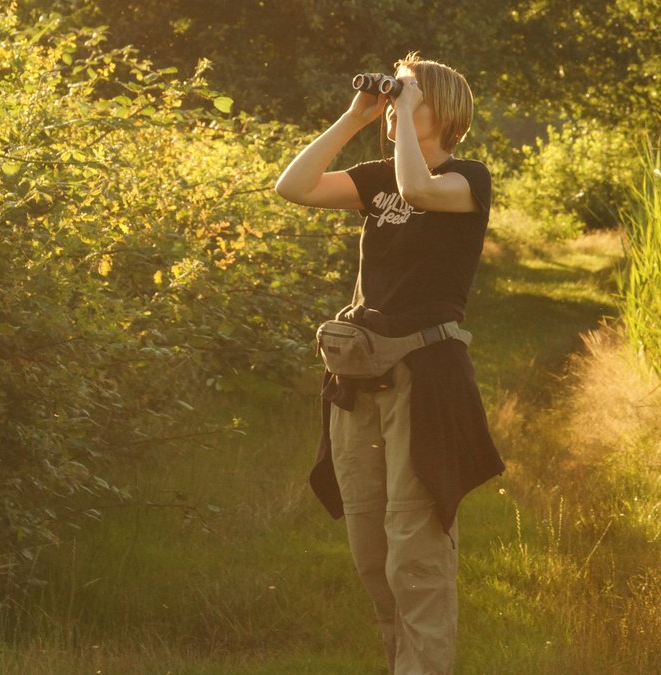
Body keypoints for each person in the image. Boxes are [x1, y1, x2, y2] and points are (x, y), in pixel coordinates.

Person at [274, 52, 505, 674]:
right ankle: (401, 663)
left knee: (416, 543)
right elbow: (291, 187)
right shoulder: (378, 176)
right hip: (361, 377)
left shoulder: (467, 179)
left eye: (411, 96)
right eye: (398, 96)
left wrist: (398, 112)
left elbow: (418, 189)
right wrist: (355, 116)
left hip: (426, 379)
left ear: (443, 110)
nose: (398, 105)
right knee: (371, 544)